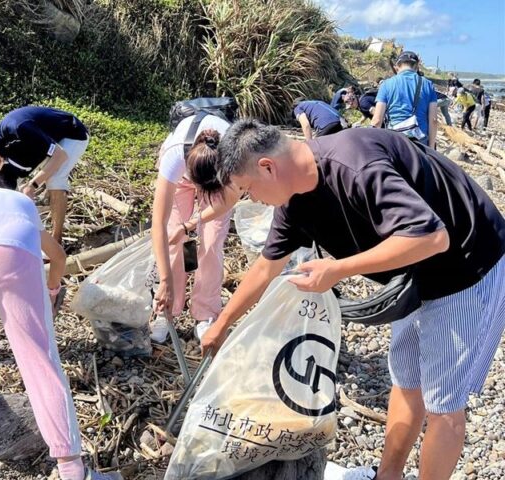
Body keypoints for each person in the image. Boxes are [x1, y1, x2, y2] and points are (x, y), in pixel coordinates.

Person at [201, 119, 505, 480]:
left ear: (268, 167)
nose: (253, 200)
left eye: (248, 190)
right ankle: (387, 476)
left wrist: (339, 269)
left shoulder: (355, 164)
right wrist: (221, 325)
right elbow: (265, 269)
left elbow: (431, 237)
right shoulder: (293, 202)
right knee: (407, 380)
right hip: (416, 275)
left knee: (444, 405)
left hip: (469, 263)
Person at [0, 163, 121, 480]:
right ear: (0, 183)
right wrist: (52, 290)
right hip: (8, 257)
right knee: (38, 355)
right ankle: (71, 468)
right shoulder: (17, 201)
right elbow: (58, 256)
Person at [150, 114, 238, 344]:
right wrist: (164, 281)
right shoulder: (174, 156)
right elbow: (158, 223)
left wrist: (190, 224)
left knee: (210, 242)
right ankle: (167, 309)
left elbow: (227, 201)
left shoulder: (236, 156)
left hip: (220, 179)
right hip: (183, 174)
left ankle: (205, 312)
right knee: (175, 242)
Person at [0, 106, 89, 243]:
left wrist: (33, 184)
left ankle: (56, 240)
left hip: (71, 134)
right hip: (44, 144)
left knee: (55, 179)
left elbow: (60, 156)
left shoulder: (19, 129)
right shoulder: (1, 149)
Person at [371, 51, 438, 148]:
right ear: (416, 66)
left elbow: (377, 120)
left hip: (394, 140)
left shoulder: (386, 85)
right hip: (420, 141)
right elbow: (433, 120)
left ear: (397, 66)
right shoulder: (428, 84)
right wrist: (431, 148)